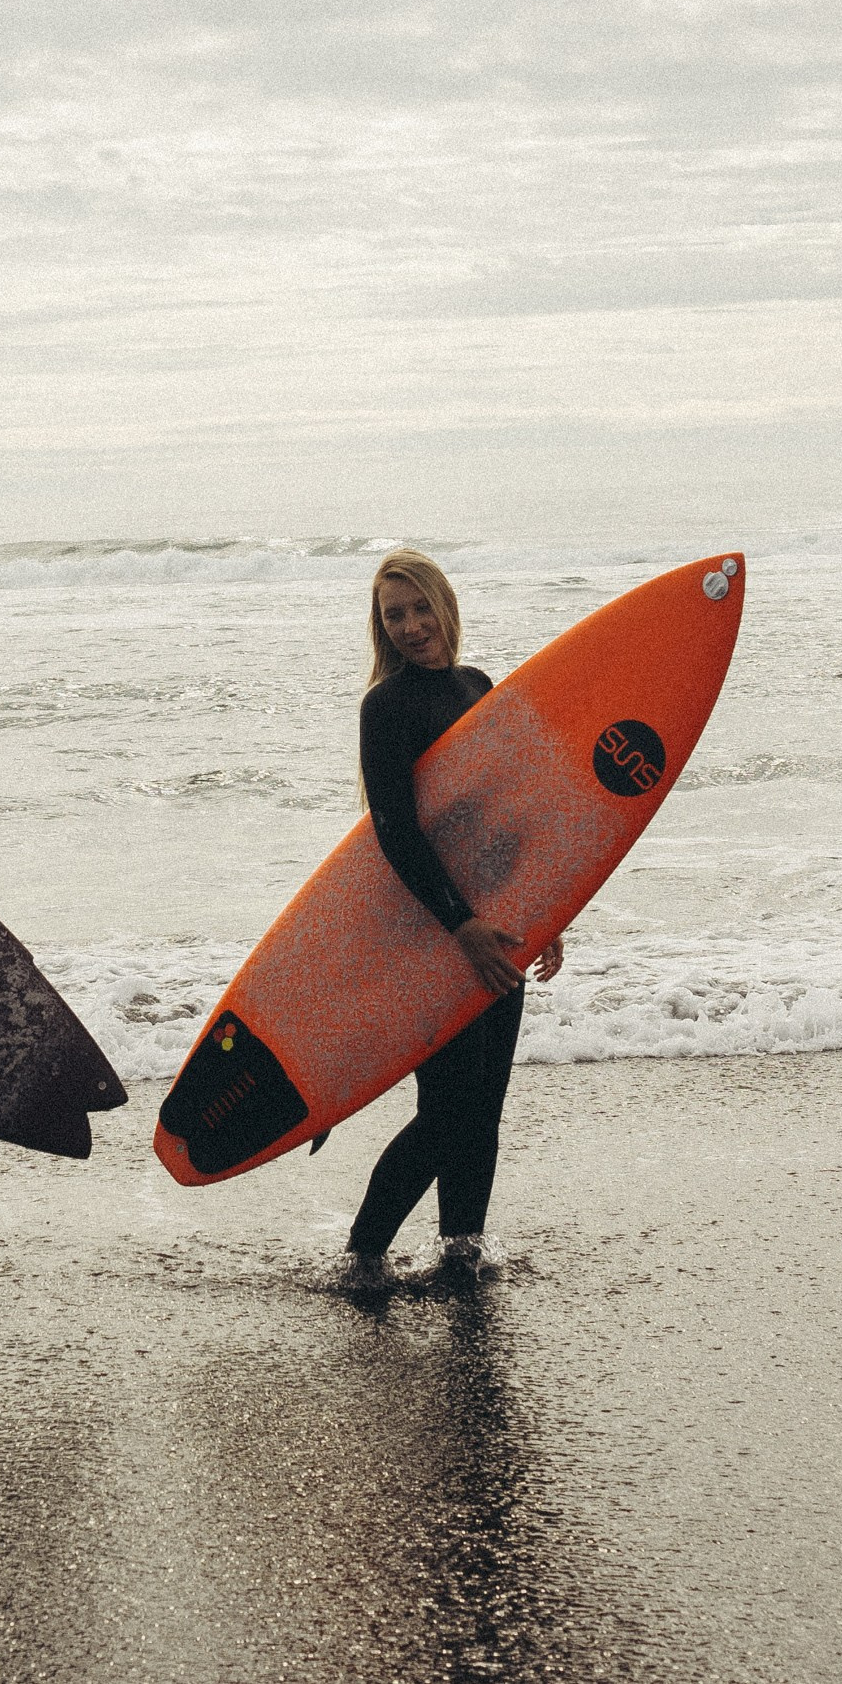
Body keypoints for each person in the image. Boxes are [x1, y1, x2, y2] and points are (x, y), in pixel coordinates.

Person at [346, 547, 563, 1281]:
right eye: (393, 615)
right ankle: (364, 1255)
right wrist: (460, 925)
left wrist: (547, 909)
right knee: (446, 1112)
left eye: (417, 607)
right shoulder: (387, 707)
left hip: (496, 930)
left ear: (444, 603)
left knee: (484, 1110)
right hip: (433, 934)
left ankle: (460, 1251)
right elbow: (395, 829)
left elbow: (507, 819)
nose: (410, 626)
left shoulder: (479, 687)